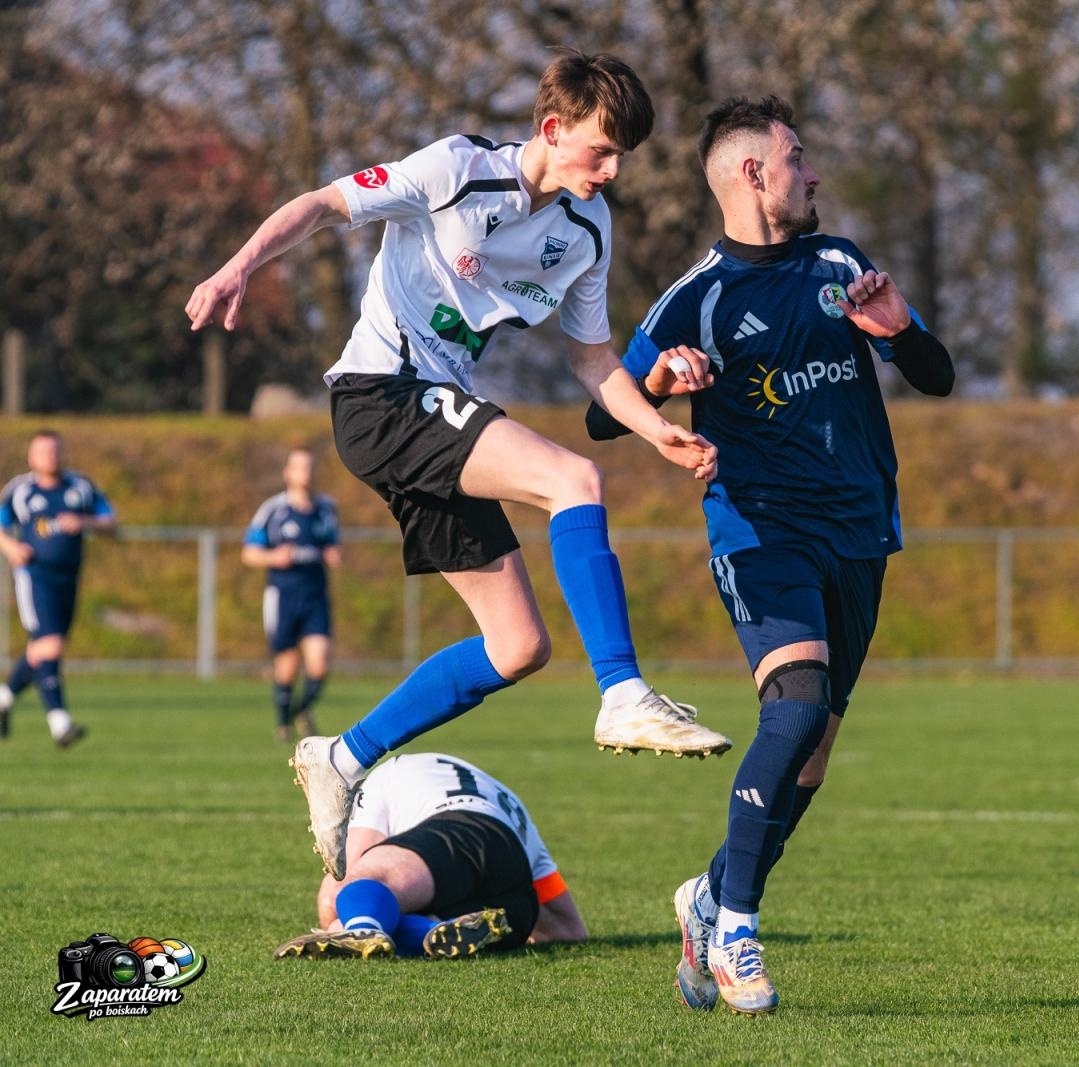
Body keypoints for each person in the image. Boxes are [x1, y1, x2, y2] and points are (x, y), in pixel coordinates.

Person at [186, 48, 732, 882]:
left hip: (434, 413)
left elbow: (594, 361)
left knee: (517, 646)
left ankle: (339, 754)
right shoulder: (455, 170)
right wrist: (238, 266)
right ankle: (622, 693)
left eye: (625, 156)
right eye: (602, 150)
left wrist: (655, 429)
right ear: (552, 129)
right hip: (382, 395)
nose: (614, 171)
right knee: (573, 481)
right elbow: (325, 205)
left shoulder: (586, 231)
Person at [588, 95, 955, 1014]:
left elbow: (937, 374)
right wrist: (665, 381)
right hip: (761, 532)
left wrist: (901, 330)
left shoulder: (843, 262)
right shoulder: (697, 297)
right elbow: (604, 413)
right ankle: (739, 930)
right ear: (754, 174)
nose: (814, 171)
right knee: (790, 715)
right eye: (798, 156)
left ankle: (707, 893)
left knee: (814, 755)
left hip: (860, 531)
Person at [273, 751, 585, 959]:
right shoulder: (508, 800)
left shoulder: (386, 775)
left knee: (360, 890)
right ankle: (432, 929)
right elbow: (567, 928)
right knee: (398, 914)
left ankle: (364, 927)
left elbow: (340, 886)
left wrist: (337, 926)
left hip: (455, 833)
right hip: (515, 900)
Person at [0, 431, 116, 748]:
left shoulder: (80, 487)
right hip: (34, 575)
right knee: (50, 645)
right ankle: (59, 723)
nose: (50, 456)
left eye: (54, 450)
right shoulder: (20, 491)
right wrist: (9, 545)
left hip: (68, 578)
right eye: (43, 451)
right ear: (31, 457)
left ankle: (4, 697)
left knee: (43, 649)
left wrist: (84, 522)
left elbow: (111, 521)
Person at [243, 449, 342, 743]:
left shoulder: (326, 508)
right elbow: (249, 553)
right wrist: (274, 557)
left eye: (310, 467)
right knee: (286, 666)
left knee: (319, 664)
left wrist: (333, 553)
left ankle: (301, 710)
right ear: (287, 473)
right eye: (299, 467)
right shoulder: (272, 510)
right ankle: (283, 725)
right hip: (283, 595)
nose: (306, 473)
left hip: (315, 595)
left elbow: (330, 543)